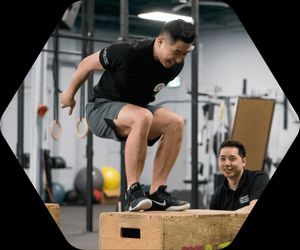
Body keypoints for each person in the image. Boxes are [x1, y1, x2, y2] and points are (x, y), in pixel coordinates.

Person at [60, 19, 195, 212]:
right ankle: (133, 191)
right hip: (100, 109)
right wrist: (69, 94)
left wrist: (176, 57)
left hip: (136, 110)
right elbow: (86, 63)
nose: (180, 59)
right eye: (176, 52)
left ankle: (158, 193)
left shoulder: (175, 66)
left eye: (184, 54)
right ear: (160, 42)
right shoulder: (127, 52)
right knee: (142, 117)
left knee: (176, 123)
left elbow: (142, 102)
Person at [210, 139, 269, 212]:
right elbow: (213, 222)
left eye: (232, 159)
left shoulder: (259, 178)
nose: (227, 163)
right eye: (223, 159)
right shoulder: (218, 196)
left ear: (243, 161)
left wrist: (229, 217)